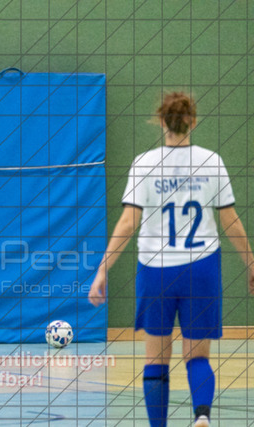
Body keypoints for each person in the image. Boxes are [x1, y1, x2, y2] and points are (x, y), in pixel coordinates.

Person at [88, 92, 254, 427]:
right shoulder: (212, 161)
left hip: (156, 270)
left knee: (156, 360)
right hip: (202, 267)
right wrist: (251, 264)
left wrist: (103, 268)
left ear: (161, 121)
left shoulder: (144, 163)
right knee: (197, 356)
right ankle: (202, 415)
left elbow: (128, 223)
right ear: (193, 121)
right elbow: (230, 221)